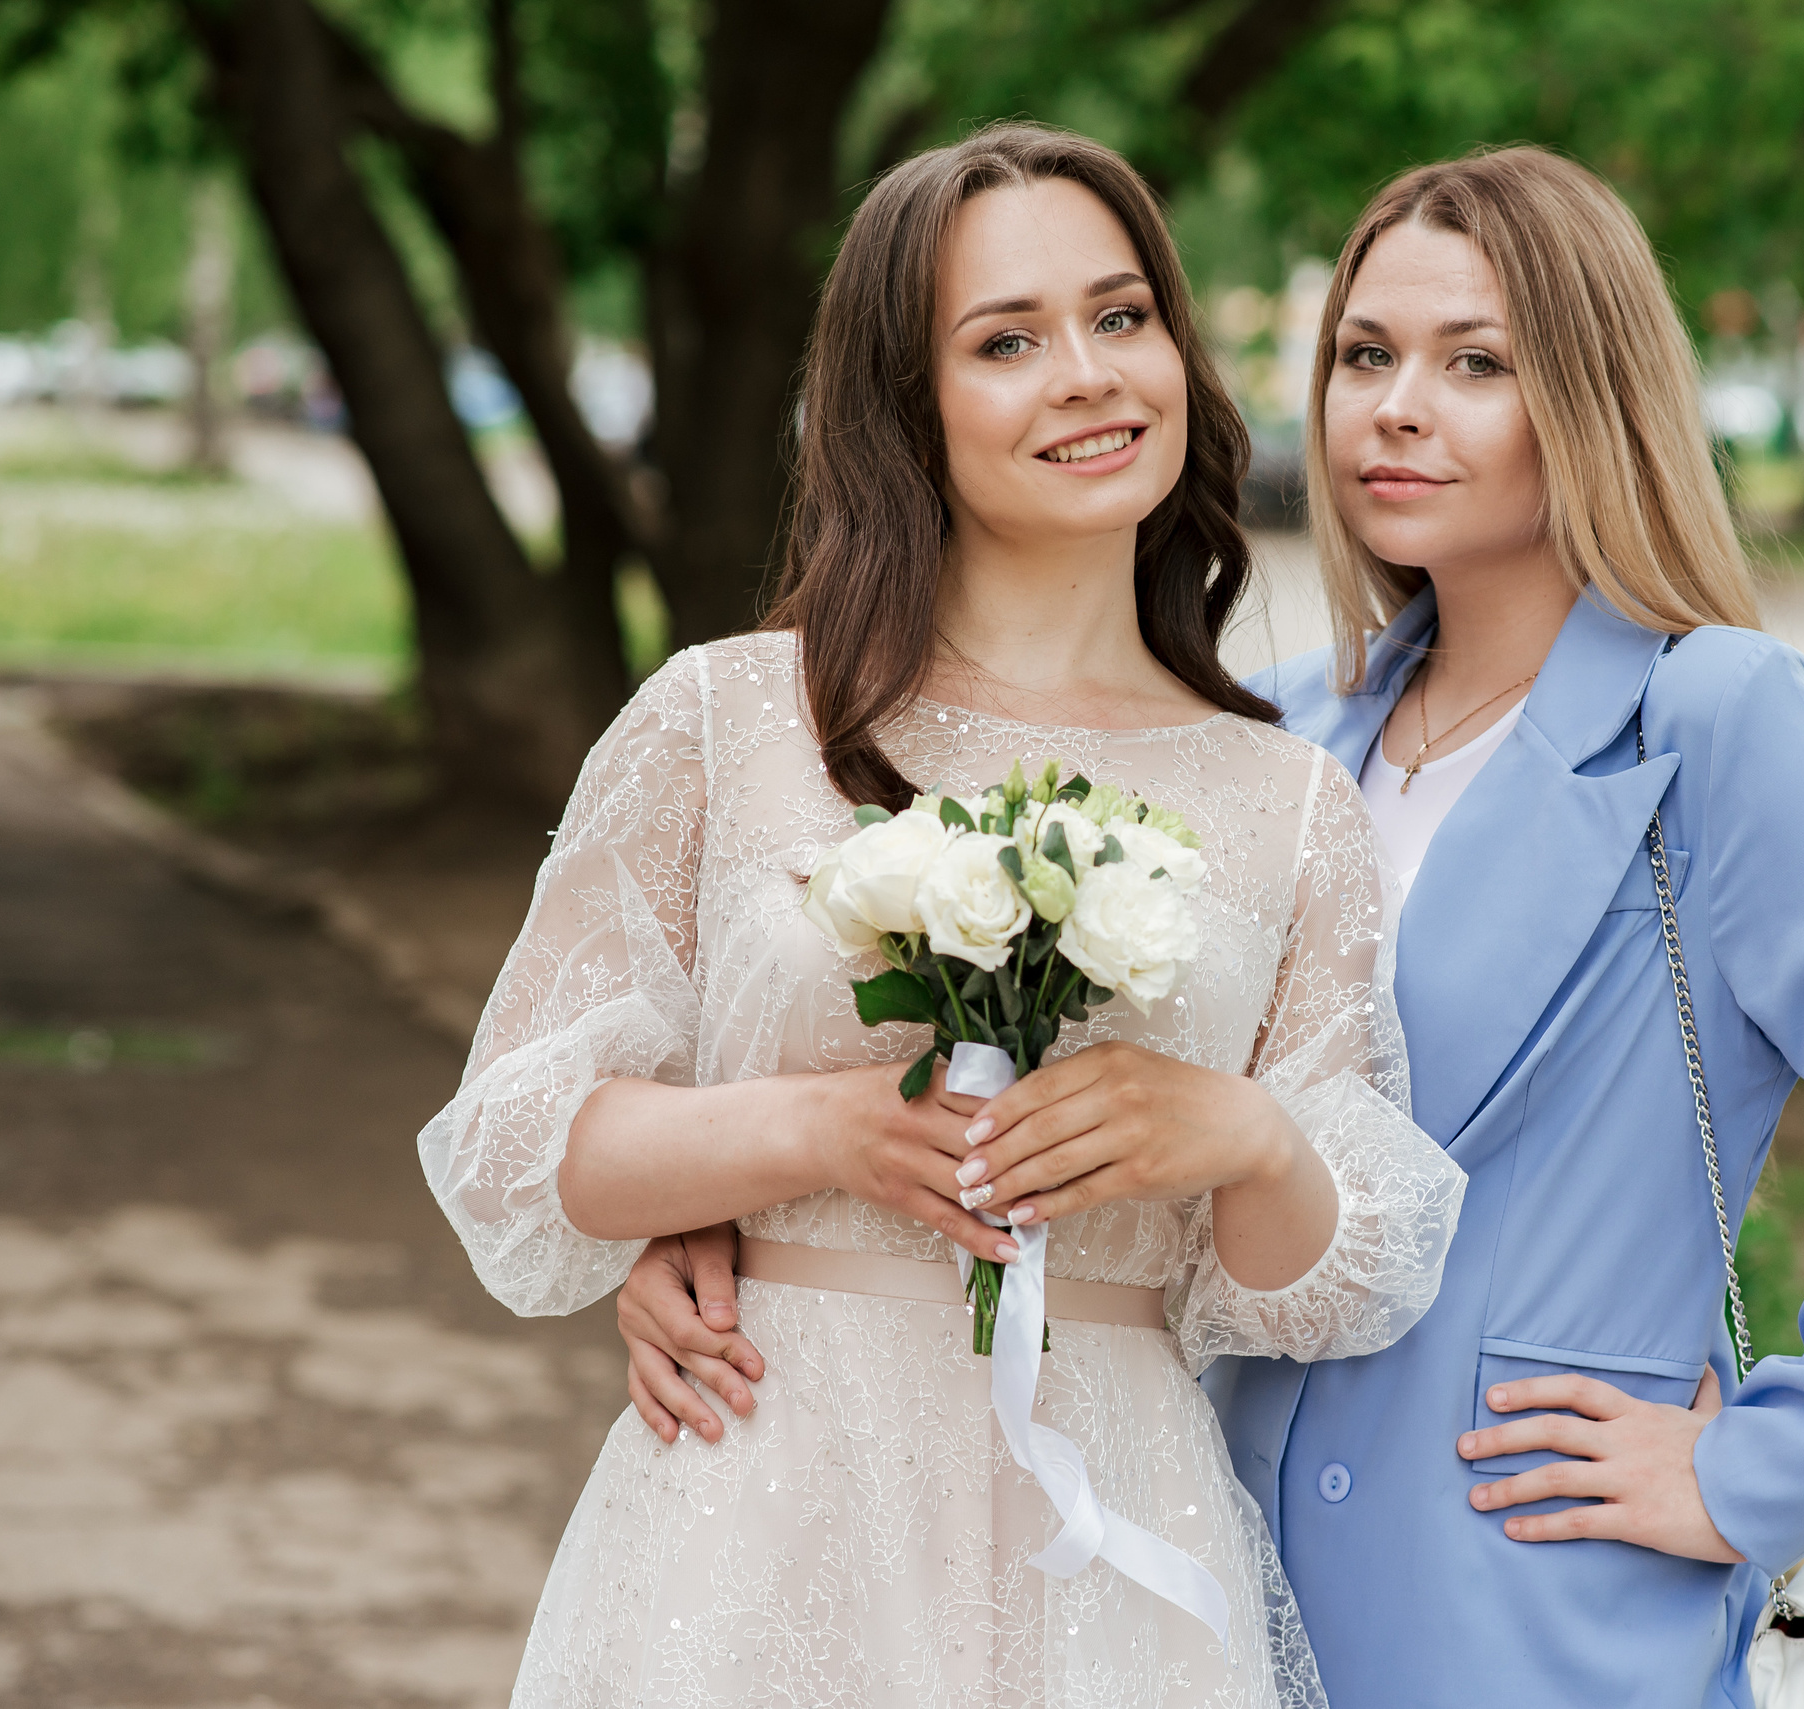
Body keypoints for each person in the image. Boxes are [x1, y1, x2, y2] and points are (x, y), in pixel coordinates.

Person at [620, 146, 1804, 1708]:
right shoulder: (1287, 743)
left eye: (1476, 363)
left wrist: (1761, 1465)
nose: (1395, 406)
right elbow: (1082, 1107)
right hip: (1203, 1558)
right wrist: (719, 1221)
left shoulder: (1709, 720)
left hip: (1534, 1589)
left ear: (1592, 394)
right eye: (1365, 355)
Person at [418, 122, 1463, 1709]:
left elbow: (1322, 1285)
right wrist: (819, 1132)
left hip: (1115, 1533)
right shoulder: (730, 717)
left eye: (1124, 318)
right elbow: (518, 1145)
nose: (1090, 375)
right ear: (908, 409)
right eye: (1007, 341)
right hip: (766, 1507)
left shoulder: (1286, 797)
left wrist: (1243, 1134)